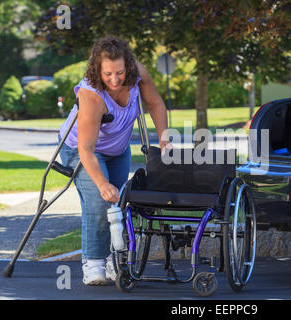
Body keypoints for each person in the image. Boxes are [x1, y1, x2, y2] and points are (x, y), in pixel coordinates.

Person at [58, 36, 169, 285]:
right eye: (108, 74)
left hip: (117, 150)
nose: (115, 79)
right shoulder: (92, 95)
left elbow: (155, 104)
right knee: (100, 199)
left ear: (128, 66)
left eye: (119, 72)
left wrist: (164, 139)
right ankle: (93, 262)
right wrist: (101, 183)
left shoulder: (138, 73)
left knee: (119, 202)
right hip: (81, 149)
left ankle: (112, 259)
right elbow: (86, 149)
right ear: (97, 69)